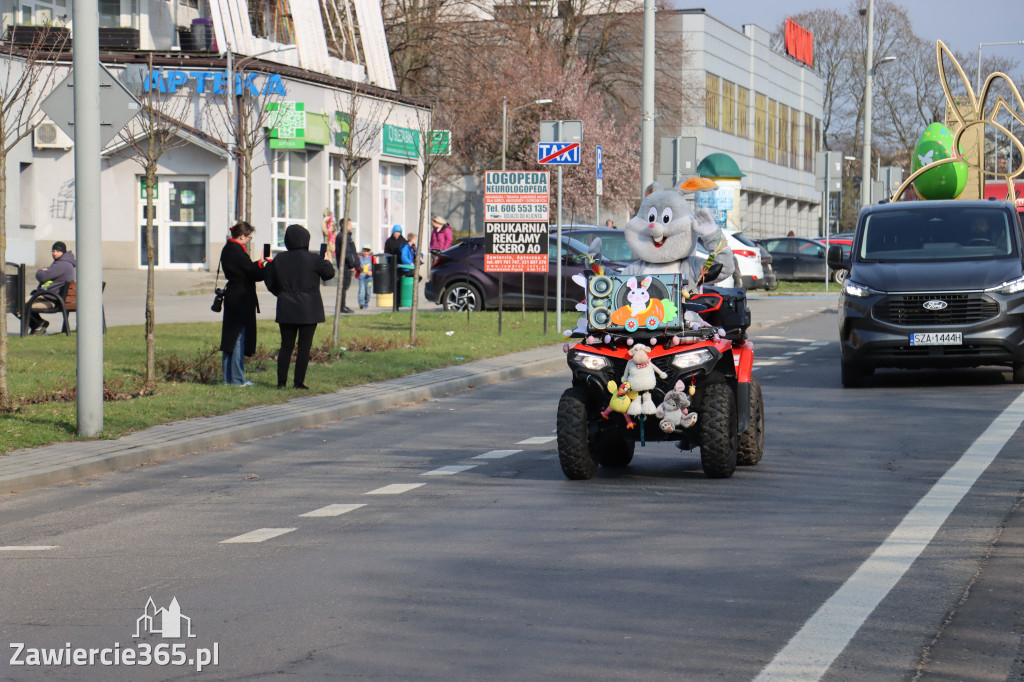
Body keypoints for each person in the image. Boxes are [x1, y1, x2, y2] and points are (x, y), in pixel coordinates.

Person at [264, 224, 335, 389]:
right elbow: (329, 274)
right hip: (309, 309)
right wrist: (328, 262)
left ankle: (281, 382)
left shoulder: (280, 259)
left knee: (286, 346)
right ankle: (299, 382)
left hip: (286, 307)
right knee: (304, 347)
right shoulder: (314, 259)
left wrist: (281, 294)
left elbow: (270, 281)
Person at [219, 221, 267, 386]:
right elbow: (252, 273)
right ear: (242, 236)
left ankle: (228, 378)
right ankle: (238, 379)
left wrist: (258, 263)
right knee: (238, 338)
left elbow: (245, 269)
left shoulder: (228, 249)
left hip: (233, 295)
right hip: (241, 297)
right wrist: (263, 265)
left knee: (230, 339)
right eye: (249, 237)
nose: (249, 240)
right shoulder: (237, 251)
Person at [27, 241, 76, 335]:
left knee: (19, 304)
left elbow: (42, 277)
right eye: (53, 251)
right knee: (24, 301)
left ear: (63, 252)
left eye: (58, 251)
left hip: (53, 299)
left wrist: (40, 271)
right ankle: (38, 324)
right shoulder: (65, 263)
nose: (55, 253)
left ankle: (38, 324)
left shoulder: (62, 264)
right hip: (58, 298)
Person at [333, 219, 359, 313]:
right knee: (343, 286)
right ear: (344, 225)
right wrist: (352, 263)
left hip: (347, 265)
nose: (351, 226)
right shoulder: (343, 237)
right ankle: (341, 306)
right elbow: (347, 252)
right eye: (350, 224)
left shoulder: (347, 236)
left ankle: (342, 305)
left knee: (344, 286)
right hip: (345, 265)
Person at [357, 244, 374, 309]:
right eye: (364, 251)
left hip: (369, 278)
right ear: (362, 251)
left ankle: (366, 301)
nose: (366, 253)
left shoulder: (372, 258)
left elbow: (375, 267)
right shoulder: (359, 258)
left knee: (368, 291)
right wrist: (359, 269)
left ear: (369, 251)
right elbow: (357, 266)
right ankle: (361, 303)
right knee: (361, 290)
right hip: (362, 276)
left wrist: (371, 272)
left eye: (367, 251)